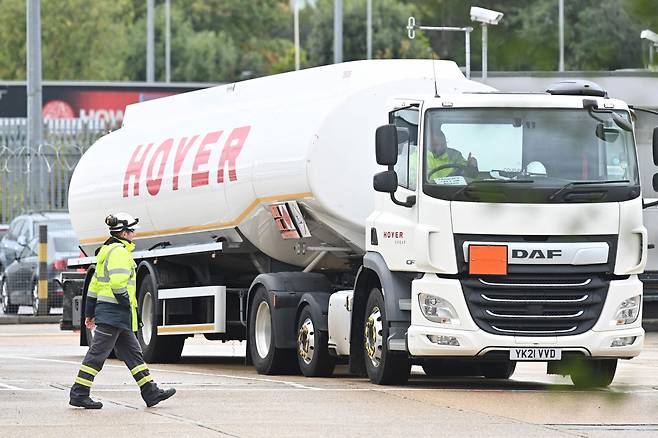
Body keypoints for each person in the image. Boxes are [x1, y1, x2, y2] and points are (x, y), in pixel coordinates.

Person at [69, 212, 176, 409]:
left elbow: (93, 287)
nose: (134, 234)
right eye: (132, 230)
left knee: (134, 354)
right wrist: (127, 304)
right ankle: (79, 392)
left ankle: (150, 392)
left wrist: (90, 312)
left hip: (112, 314)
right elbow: (118, 285)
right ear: (124, 233)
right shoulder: (119, 252)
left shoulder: (107, 251)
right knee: (97, 354)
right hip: (114, 313)